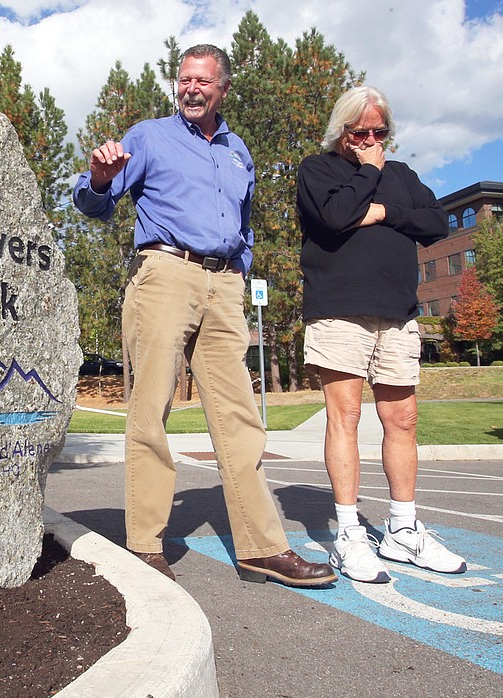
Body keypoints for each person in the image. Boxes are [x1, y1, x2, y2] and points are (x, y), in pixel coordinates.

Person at [73, 44, 335, 586]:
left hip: (225, 285)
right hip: (166, 274)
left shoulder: (238, 150)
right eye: (184, 80)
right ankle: (145, 545)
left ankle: (261, 548)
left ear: (223, 89)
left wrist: (240, 270)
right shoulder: (150, 135)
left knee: (239, 416)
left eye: (203, 82)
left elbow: (244, 223)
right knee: (151, 410)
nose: (191, 89)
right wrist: (99, 179)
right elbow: (95, 203)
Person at [296, 86, 464, 583]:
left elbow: (435, 223)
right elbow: (333, 216)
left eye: (379, 132)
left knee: (403, 419)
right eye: (360, 132)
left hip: (398, 311)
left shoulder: (404, 176)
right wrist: (368, 173)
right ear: (341, 131)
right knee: (344, 415)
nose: (371, 140)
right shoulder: (318, 170)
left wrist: (386, 211)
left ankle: (402, 530)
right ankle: (349, 533)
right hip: (340, 309)